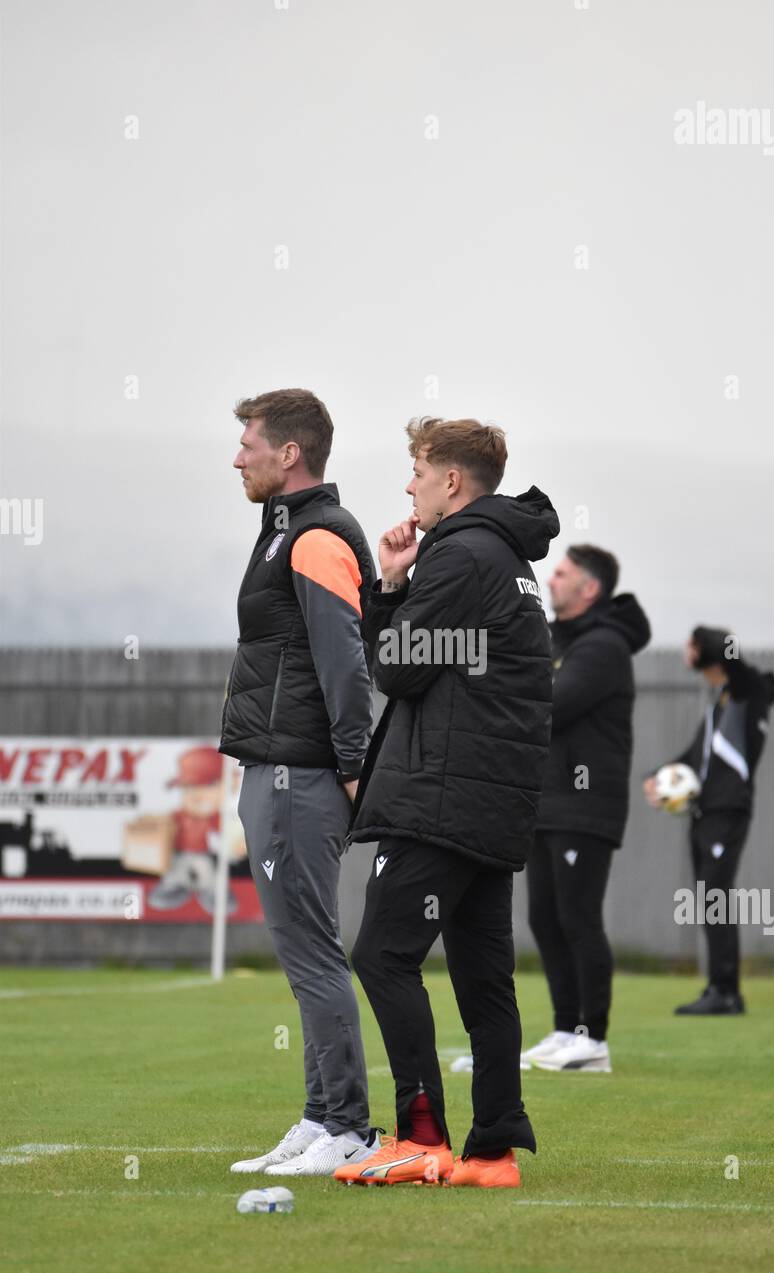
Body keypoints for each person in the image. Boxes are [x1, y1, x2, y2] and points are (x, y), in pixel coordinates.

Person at [334, 416, 560, 1189]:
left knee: (382, 956)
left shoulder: (461, 553)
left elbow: (395, 671)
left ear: (452, 481)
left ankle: (421, 1136)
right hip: (489, 803)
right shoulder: (507, 557)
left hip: (442, 799)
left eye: (418, 472)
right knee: (482, 978)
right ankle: (493, 1153)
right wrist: (402, 586)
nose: (410, 486)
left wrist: (389, 585)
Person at [220, 388, 382, 1177]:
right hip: (276, 766)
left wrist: (353, 766)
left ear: (290, 453)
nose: (237, 455)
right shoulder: (285, 532)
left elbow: (346, 664)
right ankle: (320, 1118)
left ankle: (348, 1128)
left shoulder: (316, 536)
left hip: (302, 772)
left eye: (248, 442)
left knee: (314, 953)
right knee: (302, 954)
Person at [522, 545, 651, 1073]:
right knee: (545, 919)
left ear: (589, 589)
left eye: (563, 572)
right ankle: (564, 1028)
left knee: (578, 917)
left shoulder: (603, 647)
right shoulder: (560, 640)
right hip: (546, 803)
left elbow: (550, 704)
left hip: (585, 805)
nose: (551, 579)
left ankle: (592, 1039)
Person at [643, 626, 774, 1015]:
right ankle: (720, 988)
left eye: (692, 645)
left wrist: (705, 641)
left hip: (727, 811)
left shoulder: (749, 690)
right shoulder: (720, 700)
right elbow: (693, 757)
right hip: (705, 813)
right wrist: (655, 776)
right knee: (708, 899)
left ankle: (727, 992)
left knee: (716, 897)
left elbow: (733, 656)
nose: (686, 651)